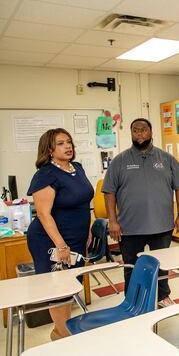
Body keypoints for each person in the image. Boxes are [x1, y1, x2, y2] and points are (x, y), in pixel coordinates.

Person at [102, 118, 179, 308]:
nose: (139, 134)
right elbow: (109, 192)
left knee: (162, 265)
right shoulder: (120, 161)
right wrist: (112, 221)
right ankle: (132, 300)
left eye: (143, 130)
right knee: (131, 267)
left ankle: (162, 297)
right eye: (135, 131)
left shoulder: (166, 159)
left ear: (151, 132)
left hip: (162, 226)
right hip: (130, 228)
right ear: (131, 134)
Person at [27, 128, 94, 340]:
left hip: (76, 237)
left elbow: (84, 203)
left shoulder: (78, 168)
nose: (68, 146)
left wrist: (89, 230)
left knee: (71, 285)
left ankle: (60, 332)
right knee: (58, 289)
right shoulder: (45, 174)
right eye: (61, 143)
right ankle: (64, 335)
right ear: (49, 149)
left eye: (69, 142)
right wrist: (61, 245)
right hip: (51, 240)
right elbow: (44, 215)